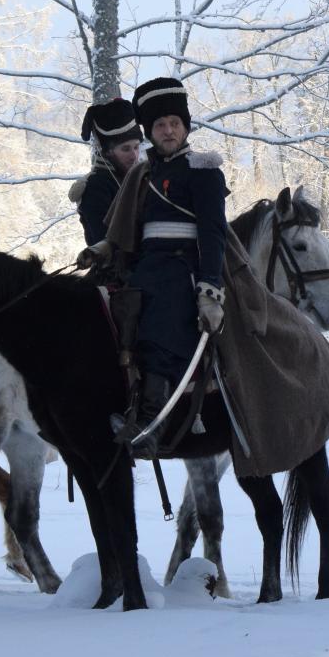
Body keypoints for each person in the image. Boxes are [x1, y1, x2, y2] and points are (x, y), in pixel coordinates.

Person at [78, 78, 228, 456]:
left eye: (175, 123)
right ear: (151, 132)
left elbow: (213, 234)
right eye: (160, 126)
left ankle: (151, 421)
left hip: (183, 269)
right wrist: (99, 250)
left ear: (185, 126)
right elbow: (124, 227)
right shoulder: (142, 176)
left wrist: (210, 289)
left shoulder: (203, 170)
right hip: (146, 267)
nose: (168, 131)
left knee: (158, 320)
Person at [72, 97, 142, 248]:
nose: (134, 156)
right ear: (108, 152)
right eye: (125, 148)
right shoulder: (96, 187)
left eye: (136, 147)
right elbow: (107, 244)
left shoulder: (137, 177)